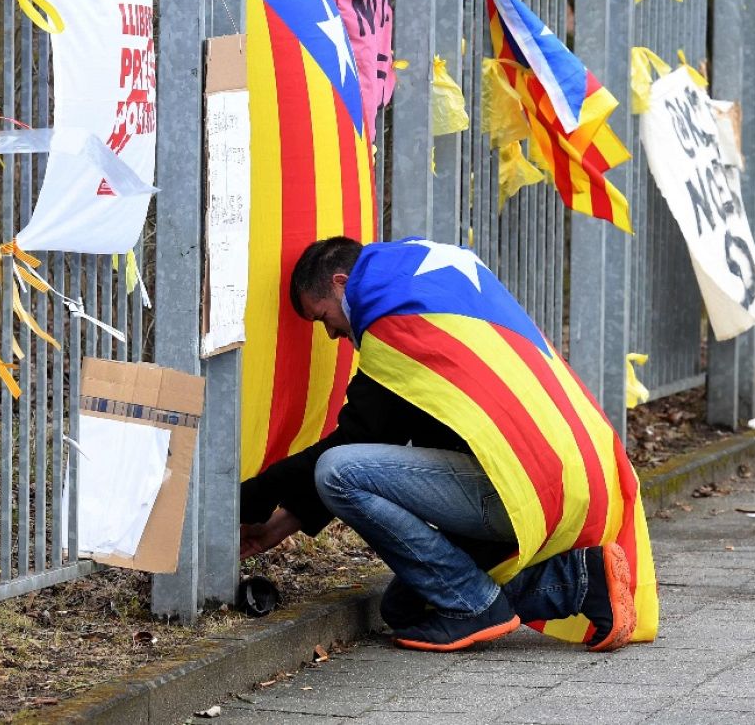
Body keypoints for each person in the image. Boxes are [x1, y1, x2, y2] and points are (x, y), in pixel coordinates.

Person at [240, 236, 658, 653]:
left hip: (518, 489)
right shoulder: (430, 288)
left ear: (340, 282)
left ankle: (477, 606)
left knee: (337, 470)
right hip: (565, 479)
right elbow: (389, 428)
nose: (332, 333)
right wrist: (276, 527)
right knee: (406, 609)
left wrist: (249, 498)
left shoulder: (395, 321)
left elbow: (357, 443)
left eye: (323, 317)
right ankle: (583, 581)